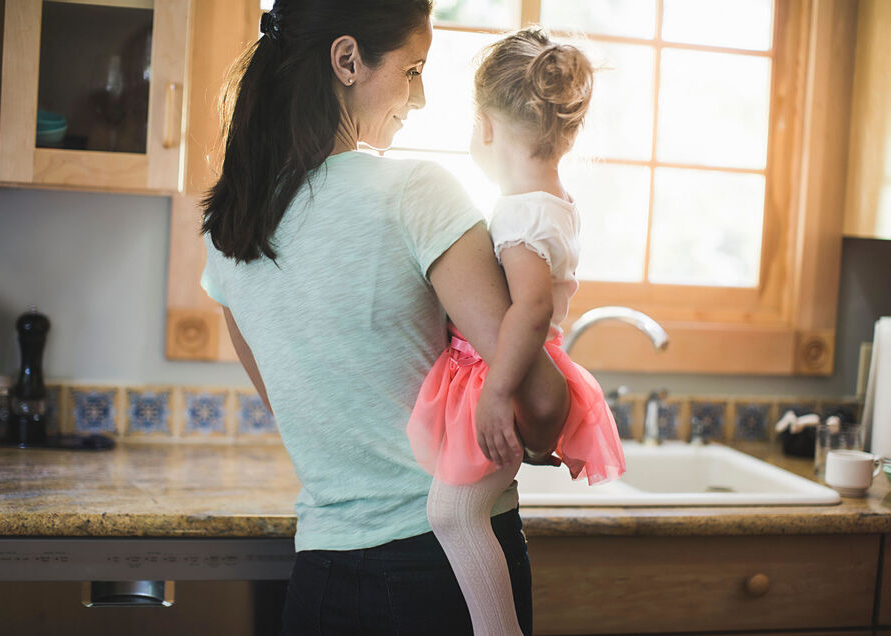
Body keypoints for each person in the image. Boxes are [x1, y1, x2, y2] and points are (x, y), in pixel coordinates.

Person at [198, 1, 569, 634]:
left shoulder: (230, 234)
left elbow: (300, 406)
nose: (419, 98)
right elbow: (539, 406)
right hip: (443, 572)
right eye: (413, 69)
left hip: (318, 580)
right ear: (347, 60)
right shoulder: (415, 192)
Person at [406, 28, 627, 635]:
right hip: (520, 370)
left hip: (502, 375)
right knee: (460, 511)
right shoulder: (554, 201)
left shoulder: (519, 212)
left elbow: (529, 310)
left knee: (452, 516)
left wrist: (498, 392)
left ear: (484, 126)